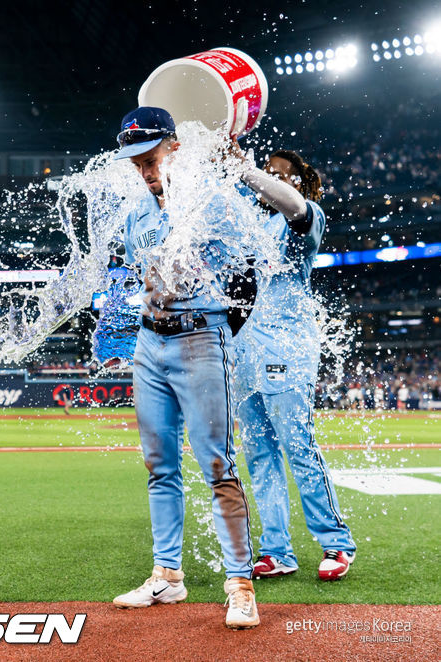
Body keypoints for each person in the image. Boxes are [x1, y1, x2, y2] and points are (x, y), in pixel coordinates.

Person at [111, 107, 259, 629]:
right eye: (136, 165)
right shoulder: (136, 216)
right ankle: (167, 578)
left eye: (151, 160)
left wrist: (215, 336)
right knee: (159, 467)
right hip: (149, 346)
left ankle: (240, 585)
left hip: (200, 339)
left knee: (218, 466)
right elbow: (138, 281)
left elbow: (246, 280)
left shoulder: (213, 204)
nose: (146, 173)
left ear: (175, 147)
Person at [233, 147, 357, 581]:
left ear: (299, 183)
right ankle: (278, 550)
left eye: (283, 175)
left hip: (286, 349)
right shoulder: (249, 223)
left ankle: (336, 543)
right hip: (243, 355)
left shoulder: (306, 215)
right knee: (260, 456)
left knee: (299, 447)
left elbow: (292, 205)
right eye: (269, 173)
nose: (274, 180)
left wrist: (248, 171)